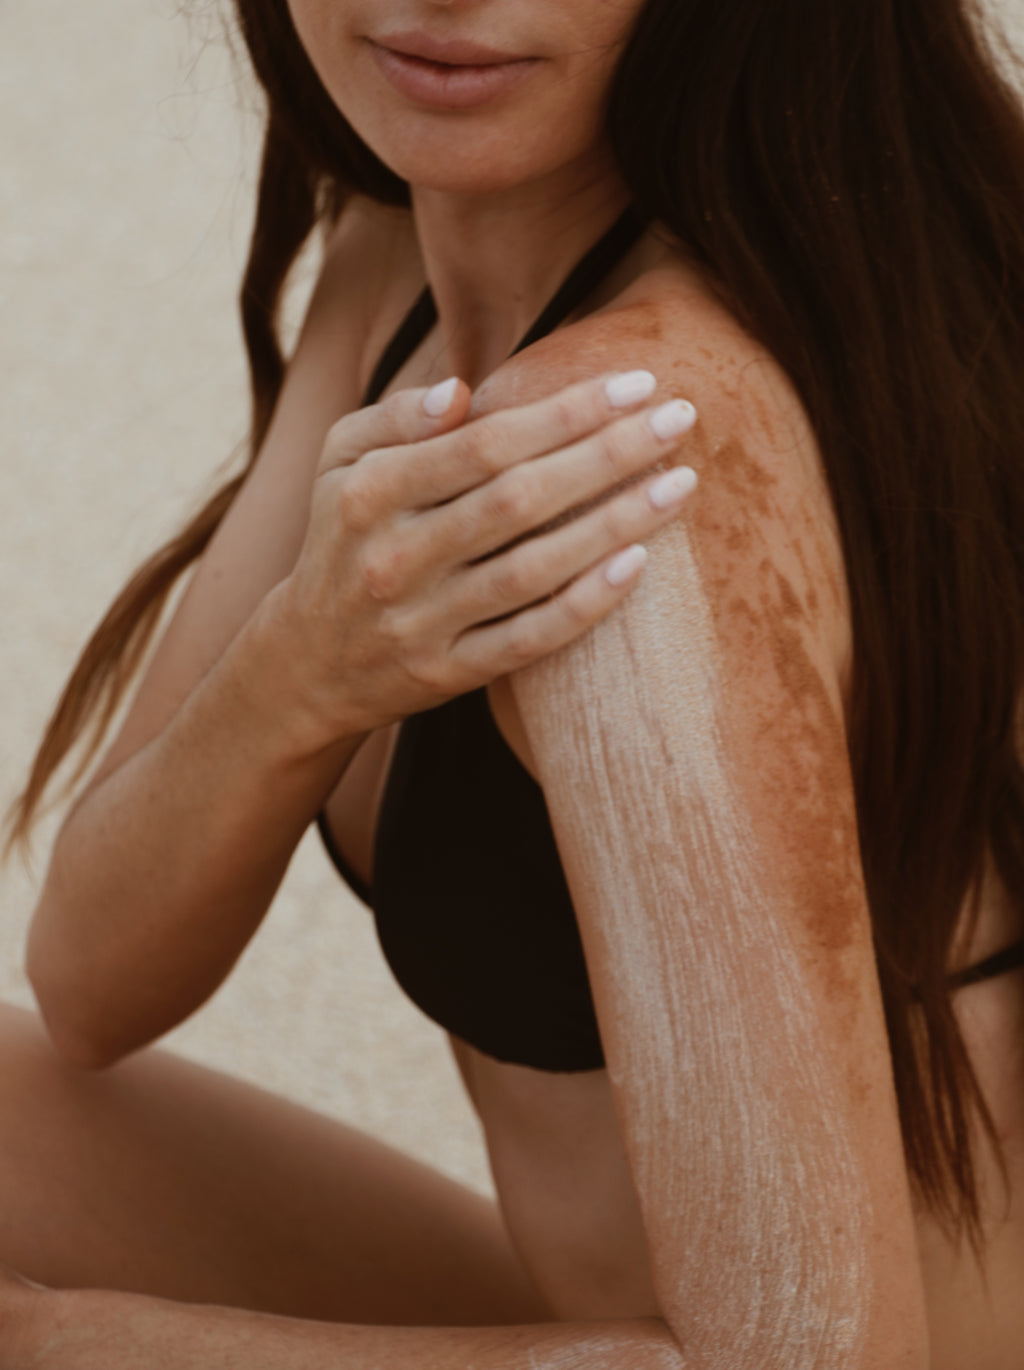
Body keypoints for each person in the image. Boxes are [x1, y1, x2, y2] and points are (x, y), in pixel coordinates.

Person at [2, 0, 1023, 1365]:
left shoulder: (640, 470)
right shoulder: (398, 265)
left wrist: (67, 1342)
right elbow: (86, 986)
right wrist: (308, 667)